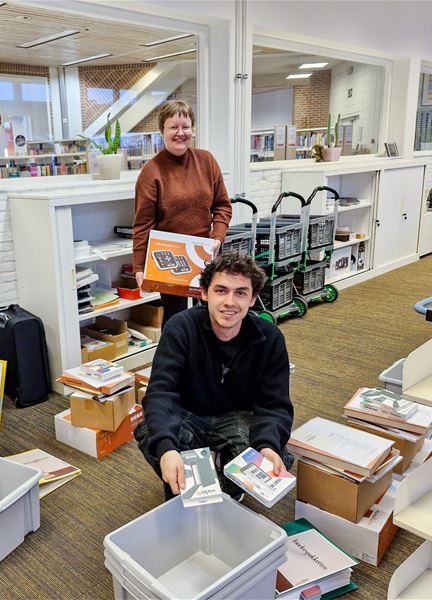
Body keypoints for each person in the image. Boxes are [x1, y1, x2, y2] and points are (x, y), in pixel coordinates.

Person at [134, 251, 294, 501]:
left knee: (273, 454)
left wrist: (268, 445)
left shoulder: (270, 338)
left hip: (238, 416)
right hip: (189, 414)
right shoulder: (180, 327)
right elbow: (161, 392)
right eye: (221, 290)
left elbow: (275, 404)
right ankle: (186, 476)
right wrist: (167, 448)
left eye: (240, 292)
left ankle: (226, 479)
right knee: (152, 432)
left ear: (252, 299)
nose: (230, 301)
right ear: (204, 293)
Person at [132, 99, 232, 326]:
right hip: (172, 258)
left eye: (185, 127)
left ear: (192, 129)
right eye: (173, 127)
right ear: (162, 131)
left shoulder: (206, 161)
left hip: (206, 253)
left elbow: (222, 205)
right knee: (176, 320)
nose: (180, 133)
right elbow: (142, 225)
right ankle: (175, 361)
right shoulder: (151, 172)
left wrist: (218, 236)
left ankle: (208, 361)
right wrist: (139, 267)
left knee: (213, 316)